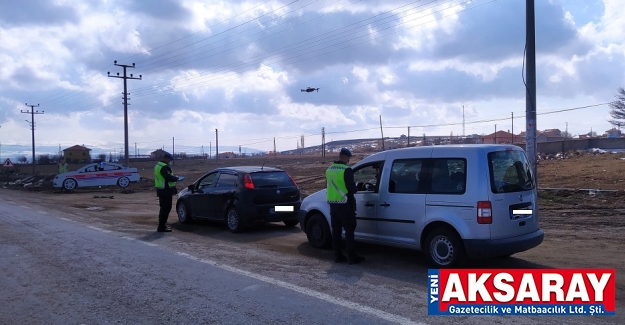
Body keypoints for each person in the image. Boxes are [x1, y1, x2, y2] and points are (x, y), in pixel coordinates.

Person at [325, 148, 365, 265]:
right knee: (349, 231)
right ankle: (352, 257)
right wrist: (357, 186)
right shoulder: (346, 170)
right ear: (344, 157)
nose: (349, 160)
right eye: (348, 158)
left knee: (336, 231)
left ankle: (338, 255)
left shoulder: (329, 170)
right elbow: (352, 188)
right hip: (345, 205)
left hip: (333, 205)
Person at [154, 152, 180, 232]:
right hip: (166, 190)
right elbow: (167, 177)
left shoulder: (158, 166)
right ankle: (162, 226)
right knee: (166, 208)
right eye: (170, 160)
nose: (170, 161)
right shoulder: (164, 167)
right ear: (166, 158)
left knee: (163, 208)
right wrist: (176, 178)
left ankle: (161, 225)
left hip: (161, 190)